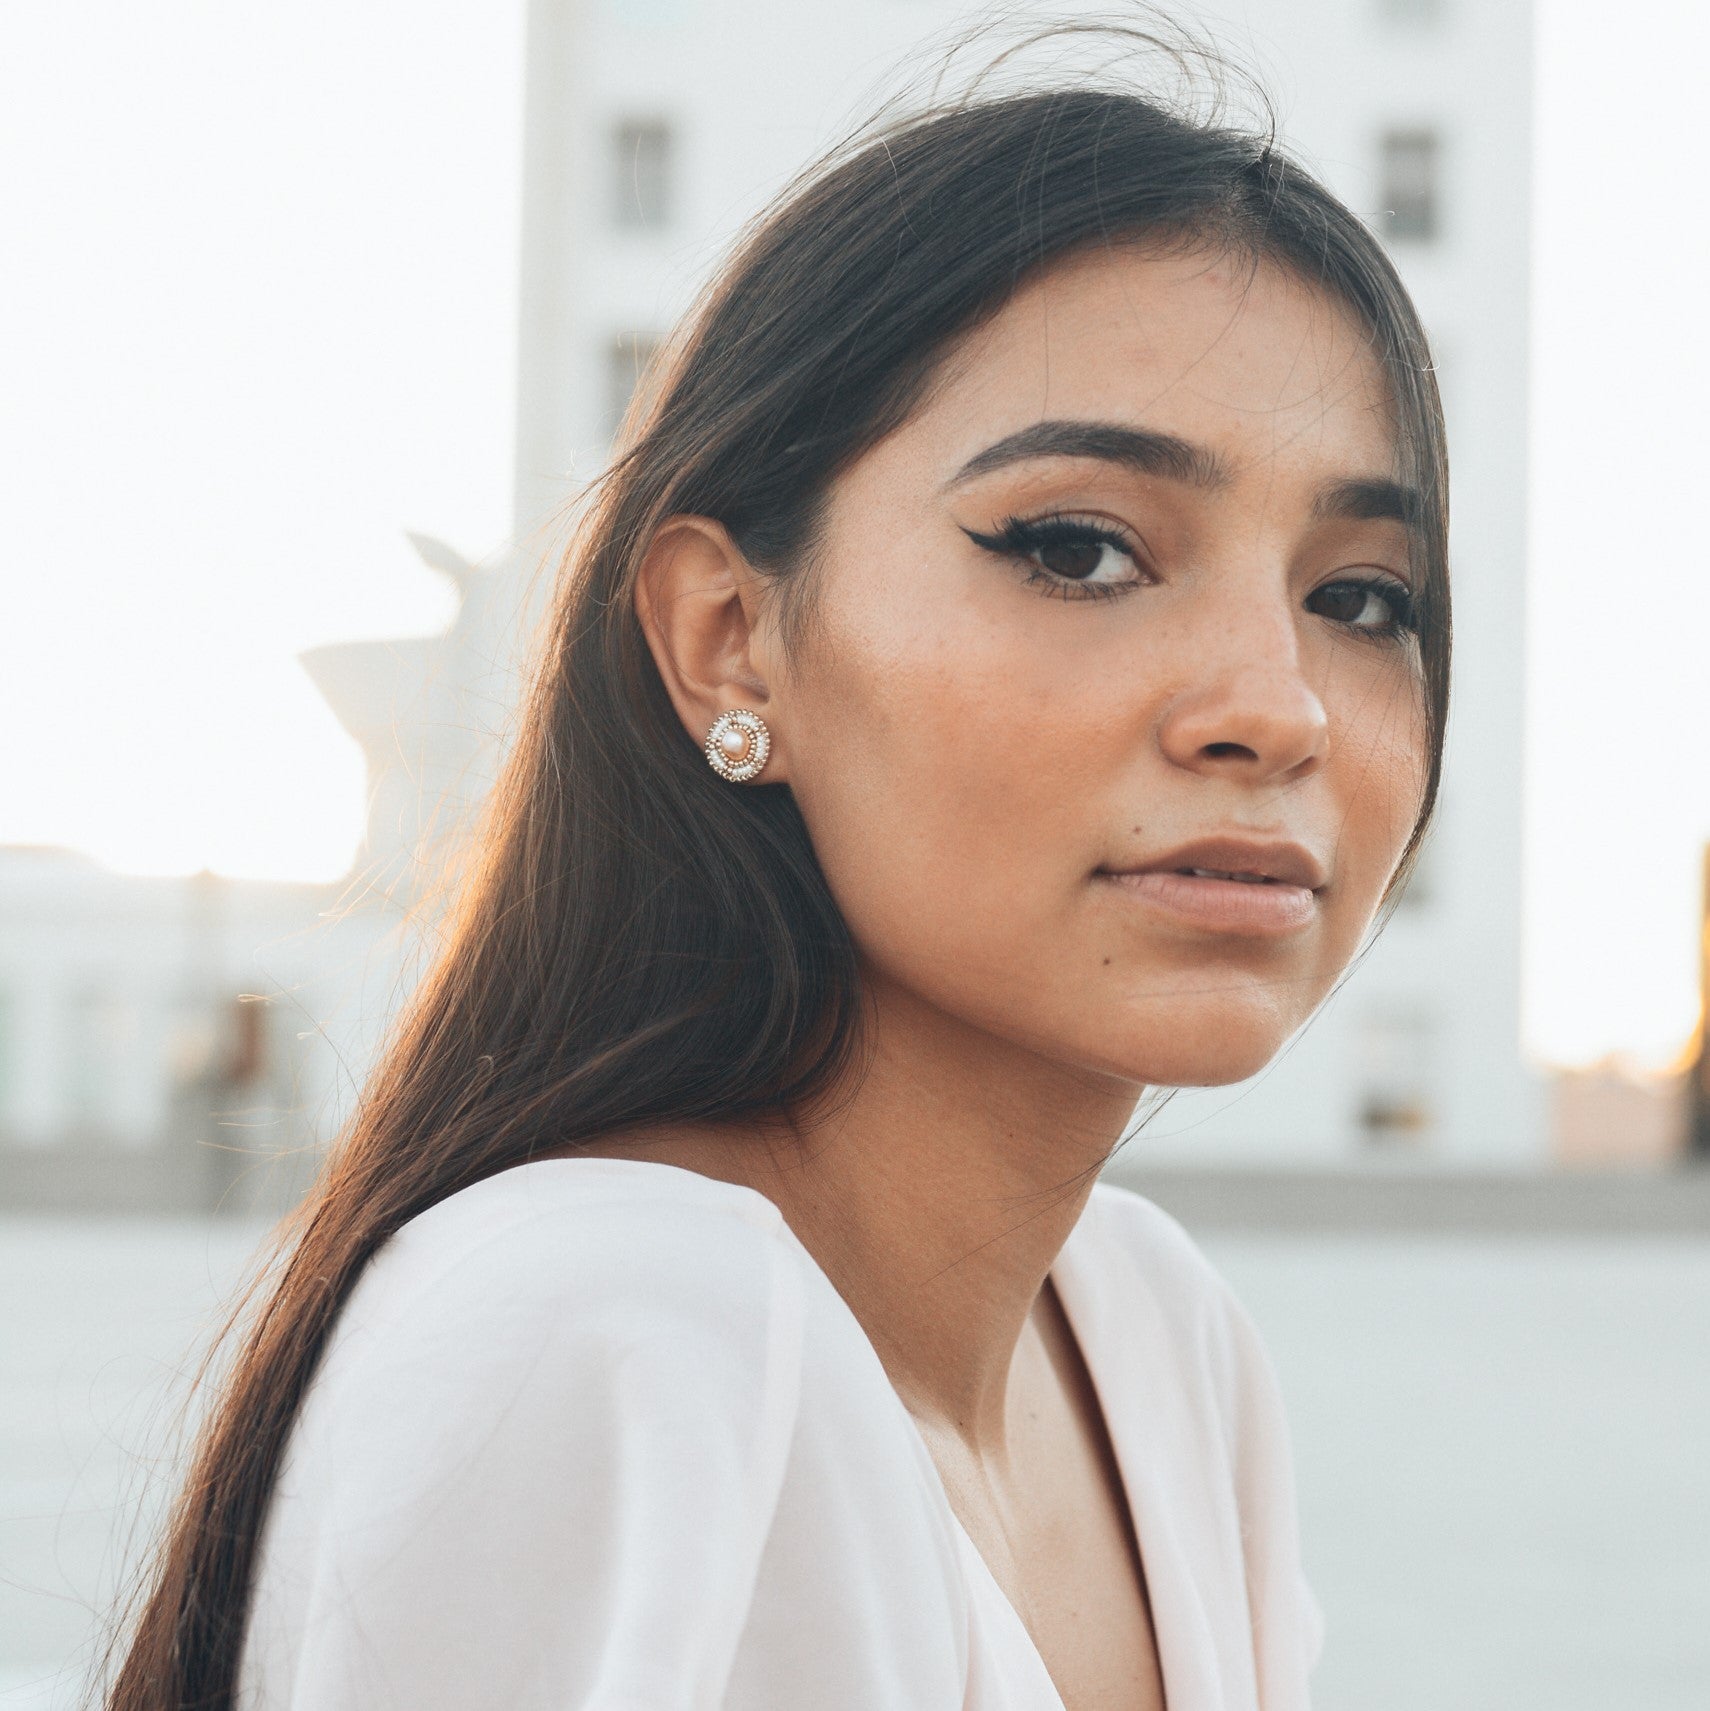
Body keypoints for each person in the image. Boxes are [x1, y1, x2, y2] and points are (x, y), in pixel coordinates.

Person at [108, 32, 1447, 1711]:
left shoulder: (1146, 1334)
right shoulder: (618, 1331)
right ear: (730, 641)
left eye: (1361, 598)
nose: (1276, 705)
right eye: (1081, 548)